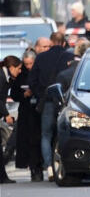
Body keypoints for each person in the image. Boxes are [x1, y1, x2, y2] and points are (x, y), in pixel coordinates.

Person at [28, 32, 73, 181]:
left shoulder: (40, 58)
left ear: (52, 42)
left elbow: (32, 81)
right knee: (63, 133)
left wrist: (40, 94)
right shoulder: (69, 57)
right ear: (63, 43)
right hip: (64, 102)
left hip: (47, 101)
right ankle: (64, 164)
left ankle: (49, 167)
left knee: (45, 135)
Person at [10, 50, 44, 181]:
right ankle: (33, 168)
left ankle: (40, 166)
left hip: (38, 111)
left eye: (31, 63)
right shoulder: (21, 75)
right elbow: (14, 93)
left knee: (38, 140)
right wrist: (24, 95)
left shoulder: (40, 72)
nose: (28, 67)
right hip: (25, 112)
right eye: (26, 64)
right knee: (27, 141)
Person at [1, 56, 23, 183]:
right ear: (11, 67)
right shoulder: (1, 77)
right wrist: (6, 114)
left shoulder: (6, 77)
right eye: (18, 68)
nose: (19, 71)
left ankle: (2, 176)